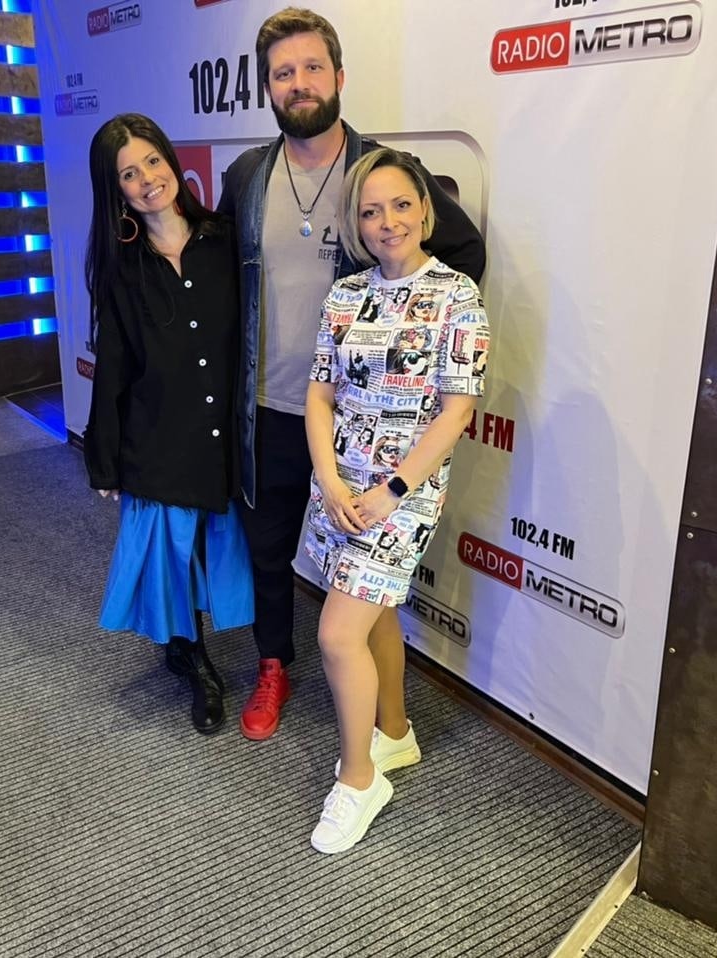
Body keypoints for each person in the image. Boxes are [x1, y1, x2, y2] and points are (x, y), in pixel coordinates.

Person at [218, 7, 486, 741]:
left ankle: (385, 726)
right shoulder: (246, 177)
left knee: (364, 574)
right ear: (267, 88)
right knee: (268, 550)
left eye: (312, 67)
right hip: (271, 407)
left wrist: (411, 349)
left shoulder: (381, 172)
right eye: (283, 73)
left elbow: (461, 256)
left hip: (363, 427)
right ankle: (273, 665)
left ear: (338, 76)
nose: (298, 83)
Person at [303, 148, 489, 853]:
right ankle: (396, 732)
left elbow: (456, 410)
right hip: (340, 489)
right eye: (371, 211)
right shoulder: (346, 295)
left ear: (426, 211)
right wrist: (330, 481)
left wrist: (394, 490)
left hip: (402, 496)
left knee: (336, 635)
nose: (388, 222)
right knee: (374, 613)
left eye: (401, 205)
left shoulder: (457, 296)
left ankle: (359, 780)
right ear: (356, 224)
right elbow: (319, 395)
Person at [84, 113, 252, 734]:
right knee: (174, 561)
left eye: (152, 161)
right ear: (116, 190)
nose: (147, 179)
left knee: (221, 551)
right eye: (129, 173)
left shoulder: (226, 239)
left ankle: (230, 654)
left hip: (227, 434)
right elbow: (115, 367)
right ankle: (195, 662)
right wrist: (105, 459)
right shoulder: (122, 268)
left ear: (171, 160)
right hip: (159, 438)